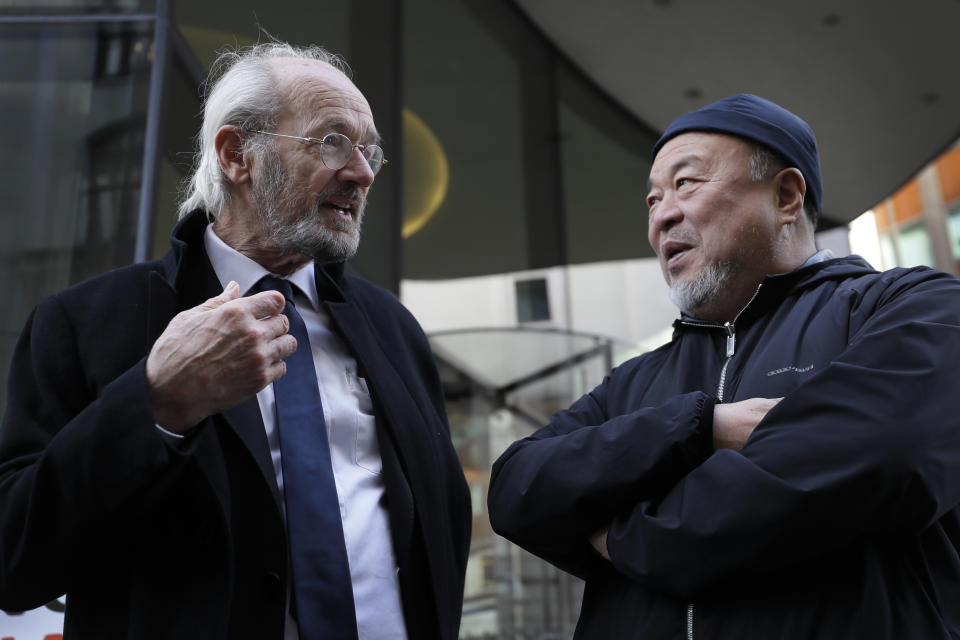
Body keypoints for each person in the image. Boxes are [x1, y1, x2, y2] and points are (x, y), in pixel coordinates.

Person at [0, 42, 471, 640]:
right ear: (236, 154)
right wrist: (158, 401)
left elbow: (440, 529)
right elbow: (14, 557)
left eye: (369, 150)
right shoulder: (86, 323)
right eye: (332, 142)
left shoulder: (392, 328)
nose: (362, 173)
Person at [487, 94, 960, 639]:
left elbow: (890, 451)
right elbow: (516, 488)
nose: (662, 214)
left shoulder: (912, 306)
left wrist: (627, 537)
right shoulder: (634, 381)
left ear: (785, 195)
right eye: (652, 199)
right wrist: (700, 428)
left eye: (687, 183)